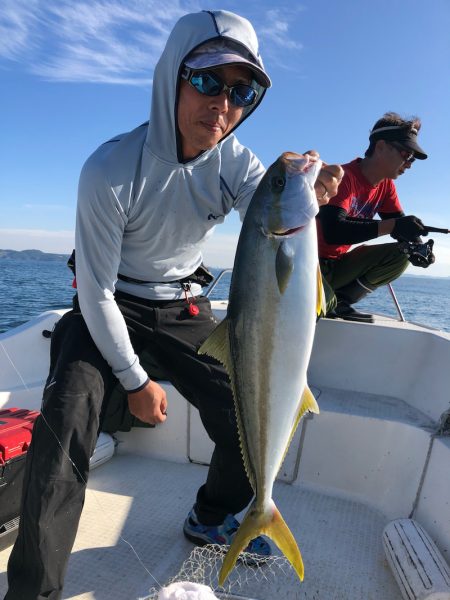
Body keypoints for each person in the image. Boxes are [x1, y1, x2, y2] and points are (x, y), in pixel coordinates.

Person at [4, 10, 341, 599]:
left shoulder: (235, 161)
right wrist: (134, 381)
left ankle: (211, 515)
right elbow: (97, 291)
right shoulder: (110, 169)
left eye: (242, 91)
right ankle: (32, 592)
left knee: (242, 414)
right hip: (109, 305)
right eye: (207, 80)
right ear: (172, 77)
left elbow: (271, 219)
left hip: (183, 307)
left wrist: (310, 194)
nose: (222, 104)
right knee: (66, 424)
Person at [316, 112, 434, 323]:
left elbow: (400, 226)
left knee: (402, 254)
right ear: (380, 147)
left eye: (412, 158)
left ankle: (339, 301)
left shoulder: (386, 186)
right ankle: (328, 301)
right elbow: (333, 231)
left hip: (337, 265)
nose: (409, 163)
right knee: (319, 308)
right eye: (406, 154)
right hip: (308, 265)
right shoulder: (342, 177)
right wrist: (391, 226)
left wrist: (419, 248)